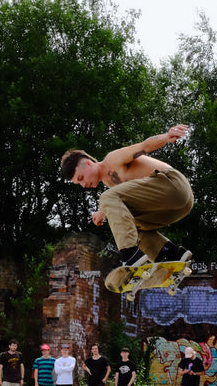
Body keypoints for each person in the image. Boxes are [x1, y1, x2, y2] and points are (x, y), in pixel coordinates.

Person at [61, 124, 195, 290]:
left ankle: (130, 255)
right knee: (129, 222)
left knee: (107, 199)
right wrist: (103, 212)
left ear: (88, 164)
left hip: (173, 185)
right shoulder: (112, 187)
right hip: (178, 205)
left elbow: (144, 146)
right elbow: (123, 201)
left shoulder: (112, 160)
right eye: (78, 183)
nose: (83, 184)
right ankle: (171, 254)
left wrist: (166, 137)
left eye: (81, 177)